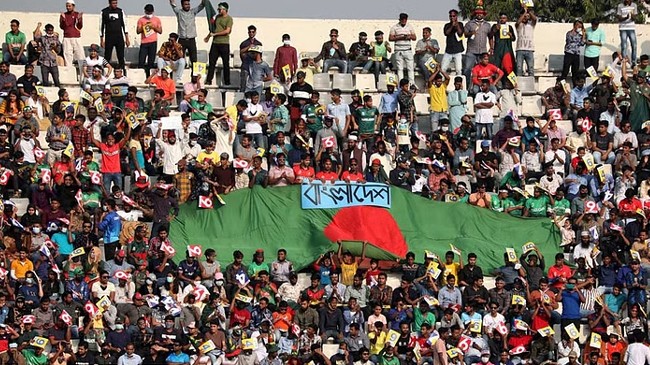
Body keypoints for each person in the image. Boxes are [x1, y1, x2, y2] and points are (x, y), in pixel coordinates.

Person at [100, 0, 129, 72]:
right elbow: (101, 26)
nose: (115, 5)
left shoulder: (120, 11)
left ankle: (122, 70)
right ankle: (105, 70)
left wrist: (127, 38)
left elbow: (124, 25)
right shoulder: (104, 12)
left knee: (121, 55)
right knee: (107, 55)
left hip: (119, 36)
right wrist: (101, 39)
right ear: (109, 3)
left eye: (116, 3)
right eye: (113, 3)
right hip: (109, 36)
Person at [136, 4, 162, 78]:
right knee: (141, 61)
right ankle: (141, 77)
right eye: (147, 12)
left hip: (153, 42)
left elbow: (160, 31)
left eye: (150, 13)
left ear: (153, 11)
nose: (148, 14)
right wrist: (144, 27)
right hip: (144, 42)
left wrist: (154, 27)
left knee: (151, 62)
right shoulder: (141, 20)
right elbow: (138, 31)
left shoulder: (157, 19)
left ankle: (150, 77)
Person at [389, 13, 416, 83]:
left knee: (410, 68)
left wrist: (408, 36)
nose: (404, 20)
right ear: (399, 19)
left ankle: (412, 83)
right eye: (402, 19)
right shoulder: (395, 27)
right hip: (398, 50)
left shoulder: (410, 27)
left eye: (405, 19)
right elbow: (390, 38)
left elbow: (414, 37)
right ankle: (401, 84)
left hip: (408, 50)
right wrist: (400, 37)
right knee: (400, 69)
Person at [60, 0, 84, 67]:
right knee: (67, 56)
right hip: (67, 38)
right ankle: (69, 73)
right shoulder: (63, 15)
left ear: (73, 6)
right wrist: (63, 19)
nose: (68, 7)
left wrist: (79, 20)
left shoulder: (77, 14)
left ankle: (84, 72)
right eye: (67, 6)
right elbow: (62, 27)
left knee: (81, 55)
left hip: (76, 38)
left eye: (69, 6)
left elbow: (80, 26)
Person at [515, 8, 537, 76]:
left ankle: (531, 84)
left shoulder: (531, 25)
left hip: (529, 50)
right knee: (519, 68)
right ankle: (519, 84)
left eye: (527, 16)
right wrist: (524, 13)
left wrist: (528, 11)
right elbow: (518, 22)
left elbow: (535, 19)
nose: (525, 17)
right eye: (524, 16)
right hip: (520, 49)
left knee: (530, 68)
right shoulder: (518, 25)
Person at [618, 0, 638, 65]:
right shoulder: (620, 6)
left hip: (631, 28)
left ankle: (634, 62)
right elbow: (619, 18)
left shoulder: (634, 5)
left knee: (634, 46)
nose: (627, 1)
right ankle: (624, 62)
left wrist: (632, 16)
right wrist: (626, 18)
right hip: (623, 28)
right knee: (624, 46)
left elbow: (634, 18)